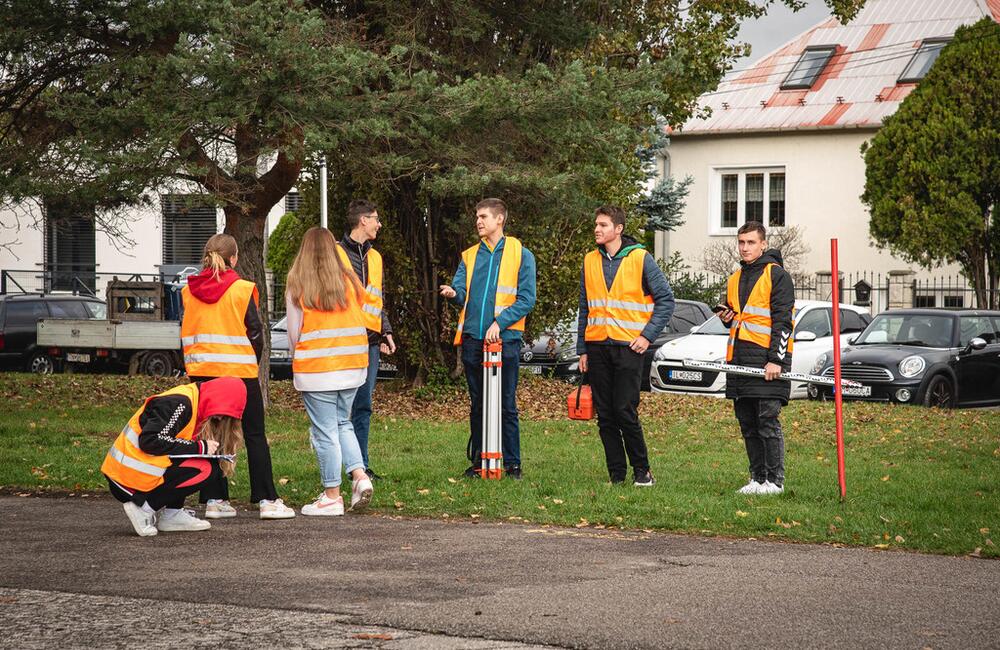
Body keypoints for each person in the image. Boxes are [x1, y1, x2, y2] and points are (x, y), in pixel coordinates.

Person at [181, 234, 296, 520]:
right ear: (234, 258)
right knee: (255, 434)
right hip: (239, 374)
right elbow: (255, 333)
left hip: (203, 373)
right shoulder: (242, 289)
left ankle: (213, 499)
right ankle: (267, 500)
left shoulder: (189, 291)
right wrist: (250, 363)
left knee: (209, 435)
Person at [439, 198, 536, 480]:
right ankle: (479, 462)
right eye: (477, 217)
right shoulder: (469, 256)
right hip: (472, 340)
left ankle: (513, 464)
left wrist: (500, 323)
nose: (478, 222)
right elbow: (461, 292)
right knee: (478, 403)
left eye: (483, 217)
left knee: (506, 403)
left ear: (499, 219)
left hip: (506, 340)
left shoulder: (521, 254)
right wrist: (453, 294)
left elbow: (527, 299)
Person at [577, 205, 674, 486]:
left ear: (618, 229)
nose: (597, 229)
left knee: (624, 411)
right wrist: (582, 349)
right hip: (597, 346)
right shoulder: (589, 261)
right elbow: (585, 307)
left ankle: (642, 471)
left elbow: (666, 300)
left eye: (604, 225)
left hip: (629, 347)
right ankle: (616, 476)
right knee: (605, 415)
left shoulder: (640, 258)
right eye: (596, 224)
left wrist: (647, 337)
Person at [286, 227, 374, 516]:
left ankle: (331, 496)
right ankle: (360, 477)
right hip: (352, 364)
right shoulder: (348, 279)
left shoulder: (298, 282)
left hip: (317, 369)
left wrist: (295, 358)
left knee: (325, 431)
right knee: (342, 423)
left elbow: (293, 333)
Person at [101, 376, 247, 536]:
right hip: (127, 482)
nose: (220, 419)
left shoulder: (193, 400)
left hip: (132, 476)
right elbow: (150, 441)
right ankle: (143, 508)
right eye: (222, 413)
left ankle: (173, 514)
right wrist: (199, 446)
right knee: (204, 469)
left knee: (207, 465)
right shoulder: (181, 403)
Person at [717, 221, 795, 495]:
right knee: (748, 424)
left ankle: (774, 482)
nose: (745, 247)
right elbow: (740, 320)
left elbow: (784, 322)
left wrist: (776, 360)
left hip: (766, 363)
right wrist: (727, 317)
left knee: (767, 423)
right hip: (739, 362)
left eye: (751, 242)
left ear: (763, 244)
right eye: (741, 242)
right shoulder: (735, 278)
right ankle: (757, 479)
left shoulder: (777, 275)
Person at [340, 199, 396, 481]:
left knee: (363, 404)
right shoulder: (336, 255)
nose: (379, 224)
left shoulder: (376, 257)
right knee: (341, 408)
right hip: (342, 341)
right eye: (375, 218)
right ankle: (343, 465)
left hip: (370, 342)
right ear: (363, 220)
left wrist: (385, 331)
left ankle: (361, 466)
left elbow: (377, 299)